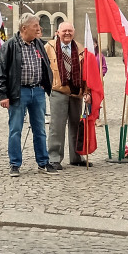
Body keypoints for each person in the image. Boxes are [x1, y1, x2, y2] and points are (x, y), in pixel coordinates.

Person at [0, 13, 54, 176]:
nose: (39, 29)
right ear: (24, 28)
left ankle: (43, 162)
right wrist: (3, 95)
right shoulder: (9, 46)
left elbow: (46, 65)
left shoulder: (39, 44)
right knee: (15, 129)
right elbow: (0, 71)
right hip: (18, 92)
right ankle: (15, 164)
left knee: (40, 129)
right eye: (35, 26)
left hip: (37, 91)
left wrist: (45, 85)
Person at [44, 20, 85, 169]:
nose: (67, 33)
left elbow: (86, 71)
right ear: (58, 32)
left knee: (76, 125)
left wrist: (87, 91)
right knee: (57, 126)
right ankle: (54, 158)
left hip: (76, 91)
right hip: (58, 90)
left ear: (73, 32)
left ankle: (76, 157)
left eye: (70, 31)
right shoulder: (49, 47)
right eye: (64, 31)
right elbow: (43, 67)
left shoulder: (80, 48)